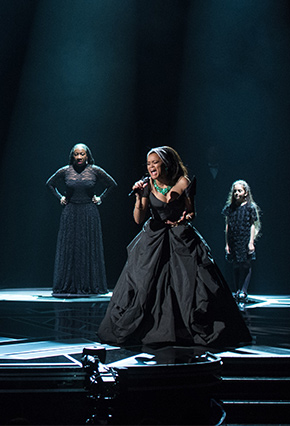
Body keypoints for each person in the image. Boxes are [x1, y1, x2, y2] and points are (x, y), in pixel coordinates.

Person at [97, 146, 249, 348]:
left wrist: (183, 215)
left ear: (166, 163)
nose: (151, 166)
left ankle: (186, 327)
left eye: (155, 162)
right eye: (148, 163)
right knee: (143, 282)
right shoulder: (147, 185)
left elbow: (188, 208)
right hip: (154, 236)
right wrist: (139, 196)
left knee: (190, 283)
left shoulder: (183, 180)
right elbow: (138, 218)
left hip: (180, 235)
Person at [45, 143, 117, 296]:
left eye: (82, 154)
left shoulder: (95, 170)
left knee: (87, 246)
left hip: (88, 213)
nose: (78, 157)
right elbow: (49, 184)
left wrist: (100, 198)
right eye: (76, 154)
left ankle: (89, 285)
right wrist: (60, 197)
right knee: (70, 246)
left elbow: (112, 184)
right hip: (70, 212)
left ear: (87, 156)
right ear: (72, 155)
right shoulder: (65, 171)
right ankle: (67, 284)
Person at [222, 180, 261, 302]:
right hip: (234, 239)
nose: (237, 193)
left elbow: (252, 225)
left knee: (245, 264)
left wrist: (251, 242)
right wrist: (227, 244)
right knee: (236, 264)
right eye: (235, 191)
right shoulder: (230, 208)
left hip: (245, 239)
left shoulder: (250, 207)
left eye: (239, 190)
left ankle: (244, 290)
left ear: (245, 192)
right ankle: (237, 289)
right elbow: (227, 226)